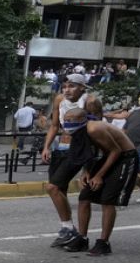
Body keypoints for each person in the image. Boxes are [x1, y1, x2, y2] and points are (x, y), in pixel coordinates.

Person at [55, 107, 138, 255]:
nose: (67, 124)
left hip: (124, 157)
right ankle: (82, 238)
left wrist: (99, 175)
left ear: (81, 119)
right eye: (65, 120)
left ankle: (103, 243)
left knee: (108, 200)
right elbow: (90, 152)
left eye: (70, 121)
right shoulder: (80, 131)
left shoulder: (94, 129)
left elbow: (116, 151)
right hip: (108, 158)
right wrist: (86, 171)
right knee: (84, 197)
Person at [42, 73, 98, 249]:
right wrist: (47, 146)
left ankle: (69, 229)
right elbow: (54, 126)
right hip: (61, 148)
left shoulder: (90, 102)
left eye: (72, 86)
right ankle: (67, 229)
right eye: (65, 86)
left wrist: (88, 166)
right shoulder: (59, 99)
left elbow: (97, 131)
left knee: (53, 187)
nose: (67, 90)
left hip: (80, 149)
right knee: (60, 191)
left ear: (82, 87)